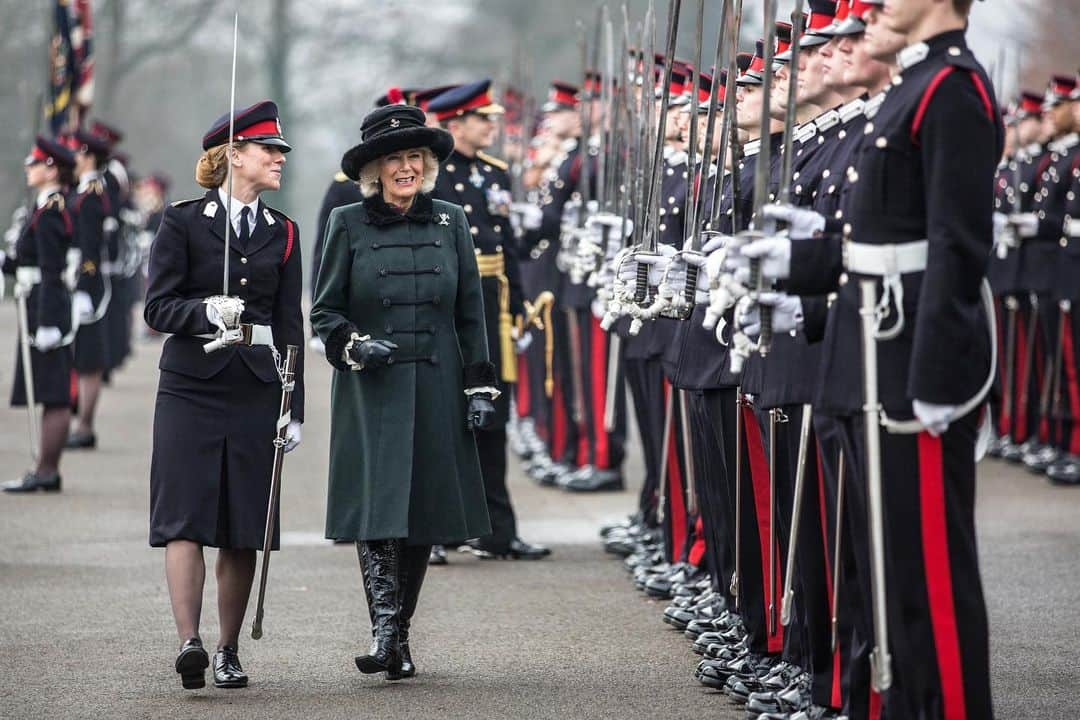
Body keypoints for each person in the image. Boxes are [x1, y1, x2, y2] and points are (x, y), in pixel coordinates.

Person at [310, 103, 496, 680]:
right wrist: (353, 345)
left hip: (437, 381)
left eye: (415, 156)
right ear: (375, 170)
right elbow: (325, 310)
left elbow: (472, 311)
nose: (407, 166)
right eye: (395, 158)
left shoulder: (451, 220)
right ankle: (385, 629)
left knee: (420, 510)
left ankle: (399, 634)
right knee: (378, 507)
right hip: (373, 385)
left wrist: (480, 384)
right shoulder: (347, 221)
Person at [143, 100, 304, 691]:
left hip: (256, 388)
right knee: (184, 516)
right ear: (235, 155)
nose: (278, 160)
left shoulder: (283, 232)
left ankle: (229, 648)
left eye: (281, 151)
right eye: (269, 150)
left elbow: (290, 325)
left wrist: (296, 407)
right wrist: (202, 309)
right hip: (190, 385)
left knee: (243, 525)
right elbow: (157, 306)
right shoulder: (183, 221)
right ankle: (190, 642)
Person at [427, 79, 552, 563]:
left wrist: (518, 305)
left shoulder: (496, 173)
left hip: (494, 302)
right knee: (446, 415)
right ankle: (438, 529)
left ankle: (498, 530)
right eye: (483, 118)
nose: (491, 126)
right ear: (455, 122)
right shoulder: (432, 174)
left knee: (495, 415)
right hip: (453, 301)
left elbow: (509, 248)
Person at [2, 136, 77, 493]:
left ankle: (47, 469)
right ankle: (44, 468)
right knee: (49, 388)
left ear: (50, 169)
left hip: (46, 305)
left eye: (34, 164)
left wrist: (48, 322)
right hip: (37, 300)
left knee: (53, 390)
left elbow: (51, 270)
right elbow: (30, 259)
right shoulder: (43, 207)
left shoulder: (50, 212)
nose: (28, 169)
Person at [65, 128, 117, 449]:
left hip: (88, 282)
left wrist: (84, 287)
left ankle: (85, 425)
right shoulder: (83, 191)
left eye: (77, 154)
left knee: (89, 357)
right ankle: (81, 421)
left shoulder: (91, 195)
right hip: (79, 279)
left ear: (87, 156)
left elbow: (90, 247)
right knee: (81, 356)